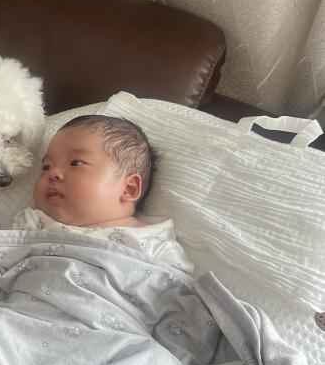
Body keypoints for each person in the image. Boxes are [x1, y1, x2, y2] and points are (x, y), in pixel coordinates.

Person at [14, 114, 194, 273]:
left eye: (76, 163)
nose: (53, 173)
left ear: (129, 188)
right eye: (46, 167)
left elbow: (176, 292)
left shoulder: (151, 242)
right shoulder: (33, 223)